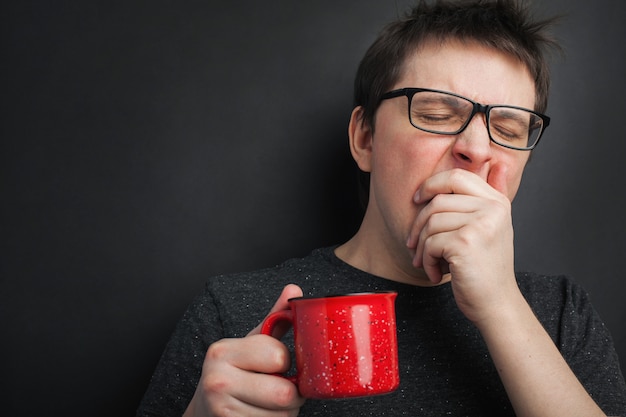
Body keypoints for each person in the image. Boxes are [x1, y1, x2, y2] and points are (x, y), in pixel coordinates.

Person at [137, 1, 626, 416]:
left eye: (512, 129)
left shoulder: (560, 314)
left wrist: (500, 304)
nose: (477, 149)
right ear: (364, 138)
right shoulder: (233, 313)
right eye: (437, 113)